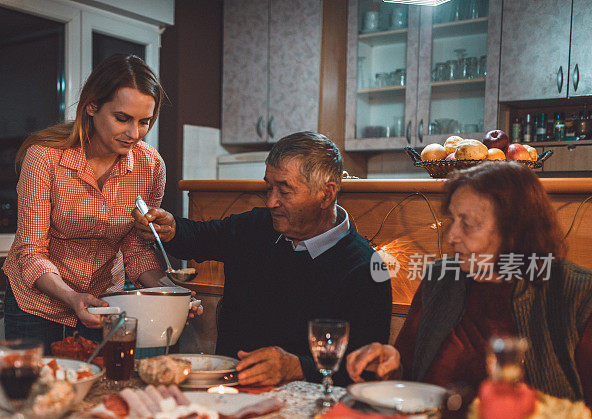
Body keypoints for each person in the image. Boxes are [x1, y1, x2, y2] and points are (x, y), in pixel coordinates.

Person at [132, 131, 392, 386]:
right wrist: (171, 228)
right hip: (229, 391)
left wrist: (298, 367)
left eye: (284, 191)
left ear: (326, 194)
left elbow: (364, 369)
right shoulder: (258, 226)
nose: (271, 202)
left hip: (308, 412)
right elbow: (199, 237)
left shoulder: (367, 268)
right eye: (268, 188)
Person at [346, 162, 592, 403]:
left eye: (468, 223)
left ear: (515, 229)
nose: (452, 236)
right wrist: (391, 364)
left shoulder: (574, 291)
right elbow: (409, 374)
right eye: (452, 219)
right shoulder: (440, 278)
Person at [2, 54, 172, 349]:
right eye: (122, 118)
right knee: (37, 392)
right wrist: (72, 297)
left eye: (144, 122)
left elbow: (136, 249)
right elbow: (31, 252)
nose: (134, 134)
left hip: (104, 303)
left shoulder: (151, 166)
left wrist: (171, 293)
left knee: (99, 389)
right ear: (92, 105)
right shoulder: (45, 158)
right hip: (36, 304)